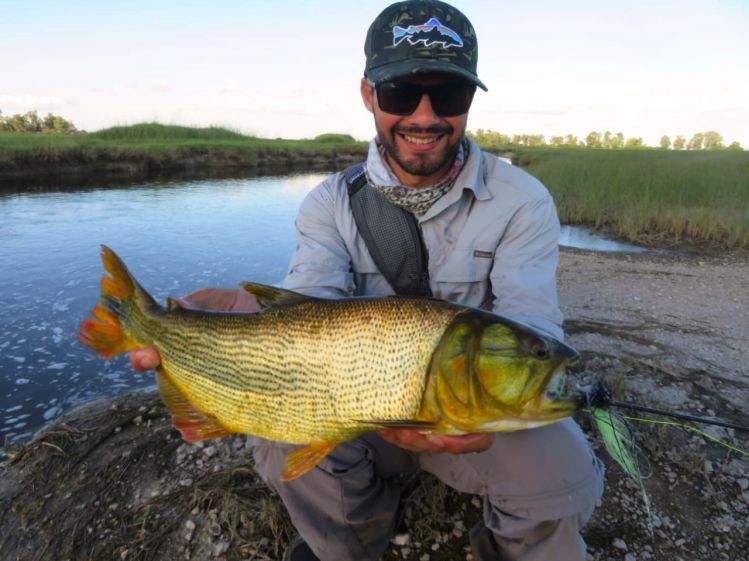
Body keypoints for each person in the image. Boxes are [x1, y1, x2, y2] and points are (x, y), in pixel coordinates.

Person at [131, 1, 604, 560]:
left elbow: (531, 325)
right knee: (281, 443)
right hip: (353, 412)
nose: (424, 117)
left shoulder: (523, 201)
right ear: (368, 95)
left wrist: (485, 420)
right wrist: (232, 318)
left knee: (564, 474)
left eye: (448, 95)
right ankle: (351, 543)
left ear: (470, 100)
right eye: (402, 93)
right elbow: (309, 311)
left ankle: (508, 546)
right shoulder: (328, 204)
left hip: (475, 416)